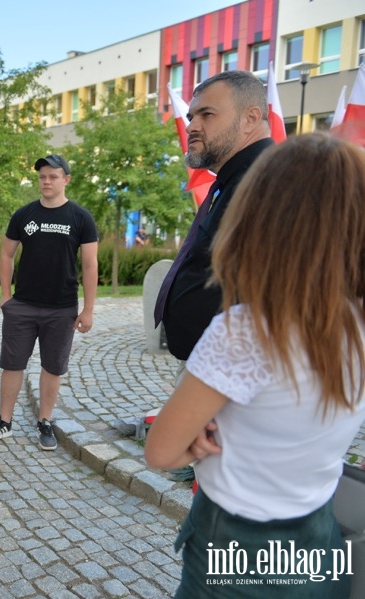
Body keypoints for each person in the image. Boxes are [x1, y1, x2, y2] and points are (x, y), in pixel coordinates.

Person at [145, 133, 365, 596]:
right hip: (318, 535)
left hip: (237, 543)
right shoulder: (356, 325)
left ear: (258, 219)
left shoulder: (247, 331)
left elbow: (161, 451)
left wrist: (194, 441)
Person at [0, 154, 98, 450]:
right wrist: (6, 297)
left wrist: (88, 309)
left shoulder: (81, 218)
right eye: (42, 176)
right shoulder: (24, 215)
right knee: (12, 364)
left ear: (66, 180)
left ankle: (45, 422)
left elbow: (90, 265)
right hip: (23, 305)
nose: (46, 181)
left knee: (53, 367)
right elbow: (6, 254)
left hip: (62, 308)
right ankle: (4, 421)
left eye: (53, 176)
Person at [154, 70, 274, 362]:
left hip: (232, 372)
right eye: (192, 116)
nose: (192, 126)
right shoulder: (236, 180)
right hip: (209, 364)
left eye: (206, 115)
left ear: (250, 118)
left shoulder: (267, 182)